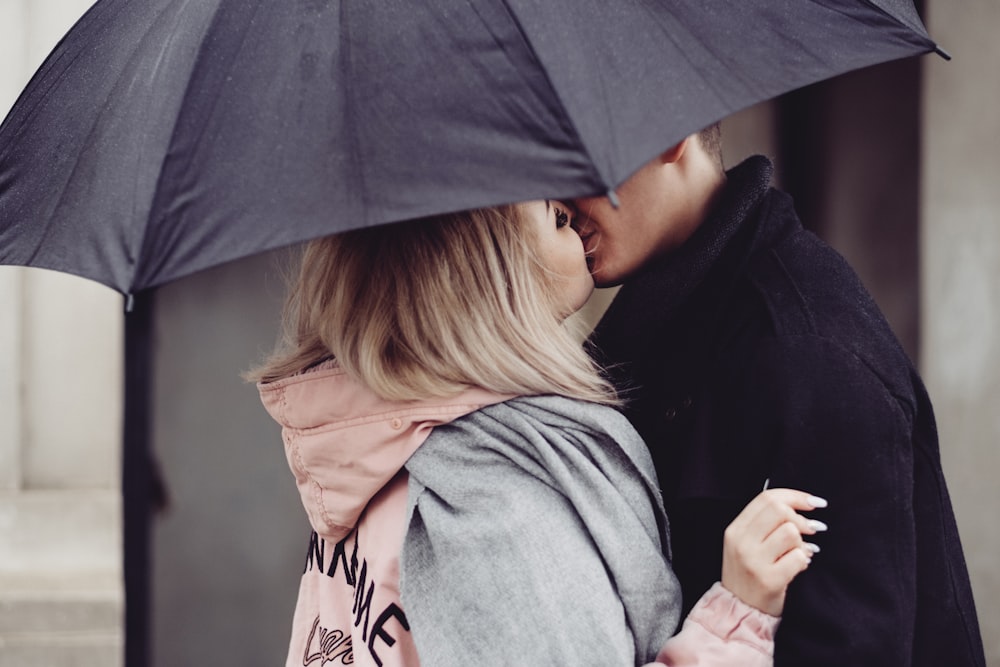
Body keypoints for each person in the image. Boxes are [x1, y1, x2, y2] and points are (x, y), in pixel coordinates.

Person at [246, 201, 827, 666]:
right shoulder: (497, 506)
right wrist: (734, 624)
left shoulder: (383, 455)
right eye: (550, 210)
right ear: (482, 270)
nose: (572, 205)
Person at [572, 128, 986, 666]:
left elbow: (854, 648)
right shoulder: (667, 322)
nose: (555, 200)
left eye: (569, 157)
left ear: (668, 132)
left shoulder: (805, 349)